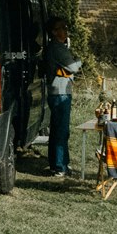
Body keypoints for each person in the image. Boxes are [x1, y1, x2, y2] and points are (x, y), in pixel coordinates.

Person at [42, 19, 81, 176]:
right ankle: (59, 166)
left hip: (58, 92)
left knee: (59, 129)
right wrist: (78, 60)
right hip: (60, 93)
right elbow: (73, 67)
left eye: (66, 28)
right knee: (61, 130)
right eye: (62, 28)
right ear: (53, 32)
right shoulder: (58, 48)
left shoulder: (58, 47)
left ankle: (60, 163)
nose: (65, 31)